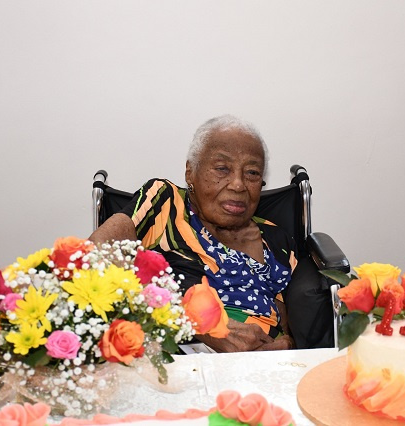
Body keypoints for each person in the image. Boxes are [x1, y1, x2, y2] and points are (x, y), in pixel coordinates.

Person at [89, 115, 296, 352]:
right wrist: (201, 324)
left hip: (259, 365)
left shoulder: (275, 238)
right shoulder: (165, 202)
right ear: (190, 172)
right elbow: (97, 251)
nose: (238, 184)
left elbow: (289, 321)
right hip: (178, 354)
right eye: (222, 168)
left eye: (252, 173)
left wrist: (286, 346)